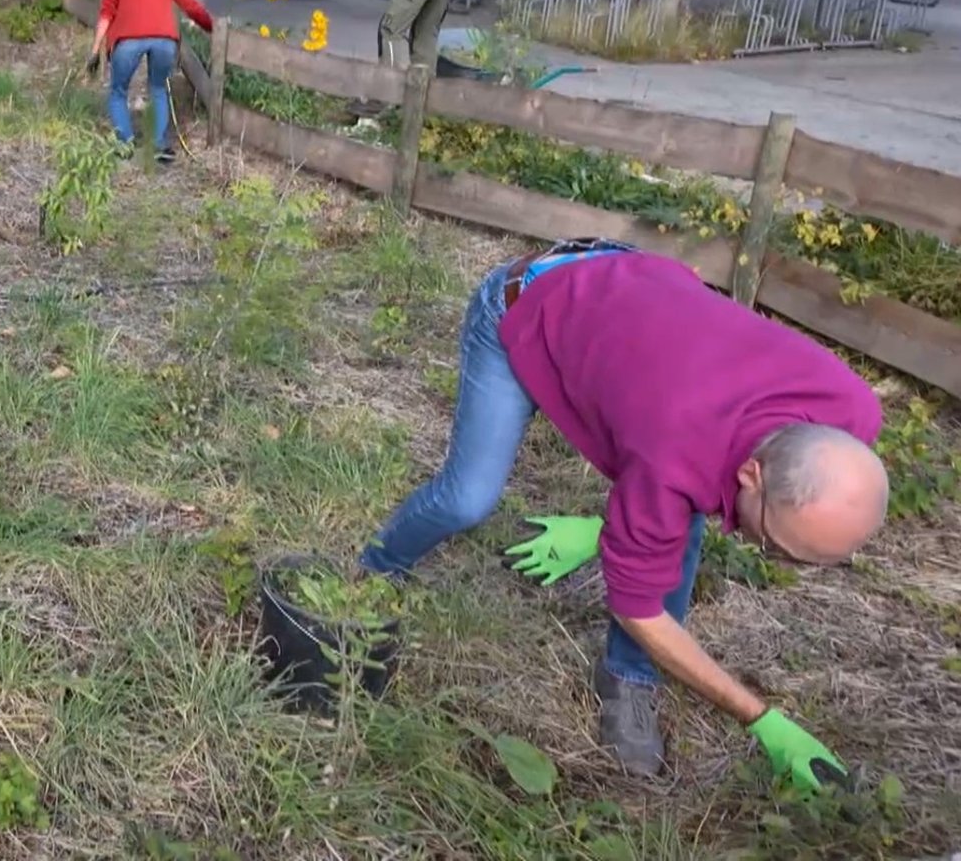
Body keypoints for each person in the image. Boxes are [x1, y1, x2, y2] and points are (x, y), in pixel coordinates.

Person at [357, 238, 888, 792]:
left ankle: (627, 676)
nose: (767, 553)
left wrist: (613, 533)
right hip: (529, 300)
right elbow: (638, 605)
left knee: (675, 519)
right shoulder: (675, 447)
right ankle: (374, 570)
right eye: (772, 541)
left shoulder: (852, 411)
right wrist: (763, 719)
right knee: (468, 498)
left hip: (634, 304)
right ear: (752, 473)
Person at [87, 0, 213, 165]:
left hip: (126, 40)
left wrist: (95, 51)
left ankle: (124, 143)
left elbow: (106, 14)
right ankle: (160, 145)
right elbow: (190, 5)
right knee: (158, 89)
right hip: (164, 39)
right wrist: (211, 27)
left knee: (118, 92)